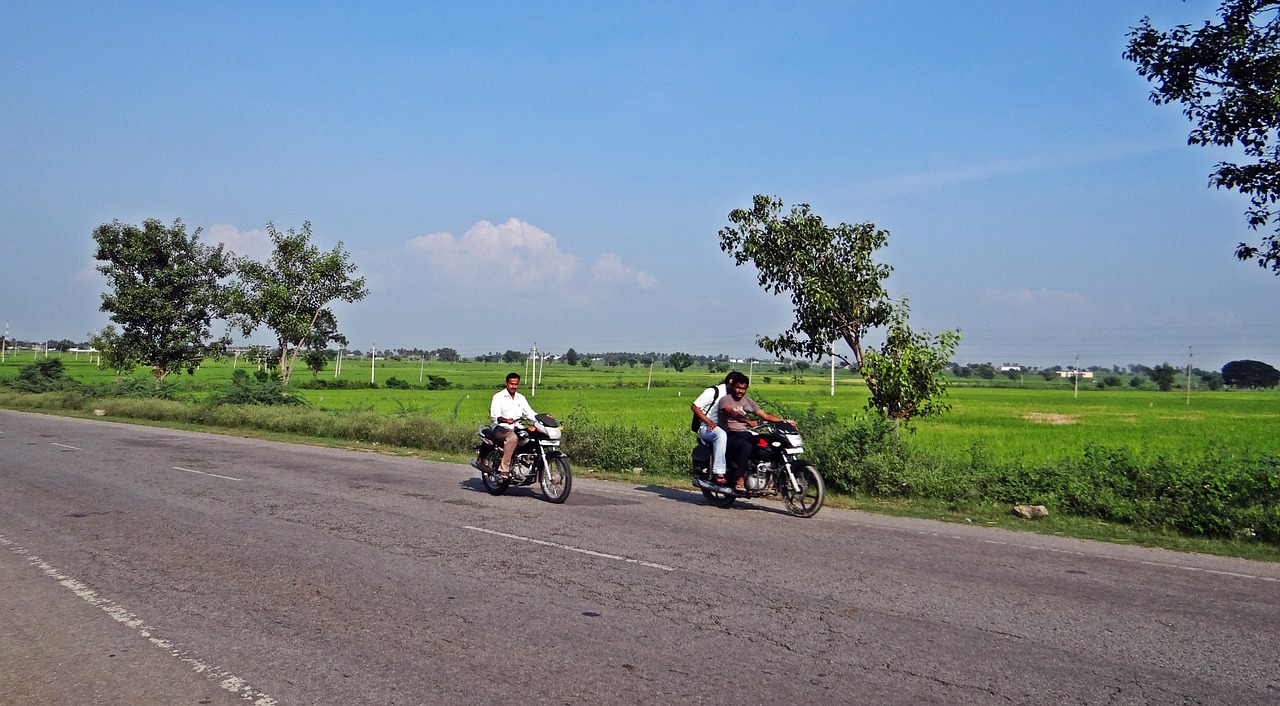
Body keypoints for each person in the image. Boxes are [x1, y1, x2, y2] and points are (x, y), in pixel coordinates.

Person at [716, 375, 793, 492]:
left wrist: (784, 421)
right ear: (732, 386)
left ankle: (768, 475)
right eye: (738, 388)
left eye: (743, 388)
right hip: (729, 434)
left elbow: (765, 415)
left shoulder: (748, 401)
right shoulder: (726, 400)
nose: (740, 391)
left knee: (767, 443)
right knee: (746, 446)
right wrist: (748, 421)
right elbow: (731, 412)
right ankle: (739, 478)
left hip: (744, 433)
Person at [690, 371, 740, 485]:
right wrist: (709, 422)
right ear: (731, 382)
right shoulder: (714, 392)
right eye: (737, 386)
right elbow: (695, 406)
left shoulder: (733, 396)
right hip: (707, 428)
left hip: (725, 427)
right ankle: (719, 472)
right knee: (720, 435)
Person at [489, 372, 538, 478]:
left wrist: (542, 418)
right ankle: (504, 468)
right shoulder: (498, 397)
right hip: (501, 427)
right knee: (512, 438)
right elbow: (495, 416)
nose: (514, 386)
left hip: (517, 427)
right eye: (511, 384)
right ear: (506, 383)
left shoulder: (521, 398)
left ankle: (527, 464)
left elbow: (530, 413)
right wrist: (506, 420)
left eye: (516, 384)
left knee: (534, 437)